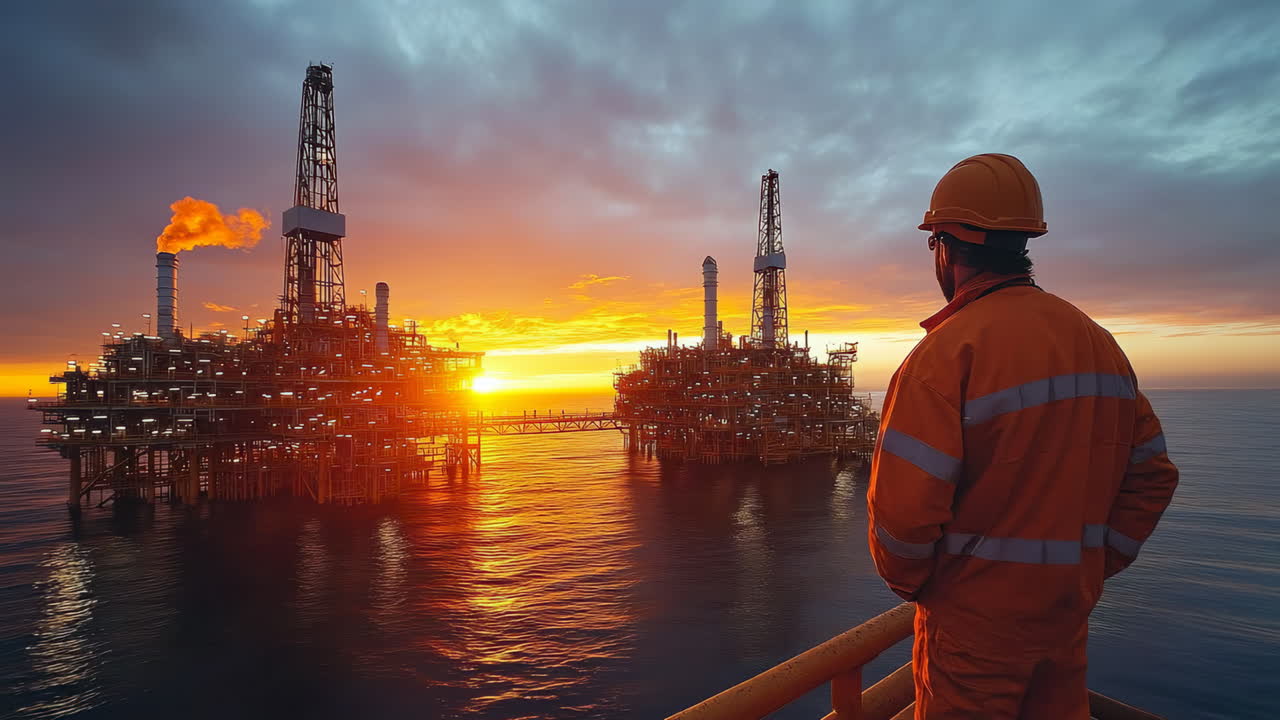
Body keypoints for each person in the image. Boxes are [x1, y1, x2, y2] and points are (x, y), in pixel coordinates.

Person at [866, 153, 1179, 719]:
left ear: (945, 247)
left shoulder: (943, 357)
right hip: (1064, 616)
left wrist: (924, 587)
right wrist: (1091, 564)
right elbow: (1153, 476)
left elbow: (902, 520)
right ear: (1023, 242)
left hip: (974, 632)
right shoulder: (1097, 342)